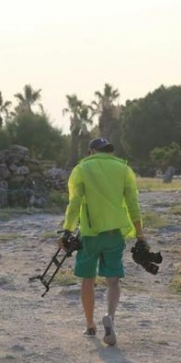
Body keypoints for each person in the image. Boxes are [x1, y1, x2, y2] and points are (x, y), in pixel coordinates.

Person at [60, 137, 144, 346]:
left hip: (89, 234)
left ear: (90, 151)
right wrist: (140, 235)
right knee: (113, 280)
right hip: (114, 233)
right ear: (109, 151)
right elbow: (133, 204)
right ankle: (111, 318)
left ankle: (90, 325)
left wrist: (67, 231)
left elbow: (74, 203)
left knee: (87, 279)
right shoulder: (123, 169)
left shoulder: (81, 169)